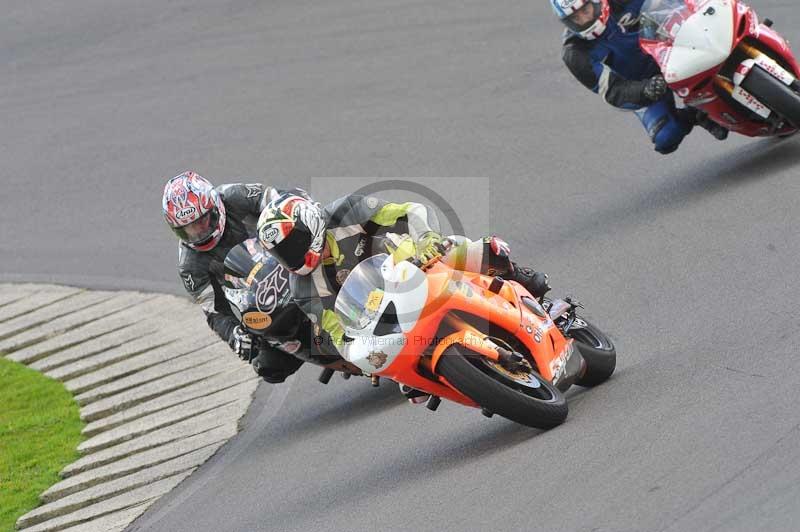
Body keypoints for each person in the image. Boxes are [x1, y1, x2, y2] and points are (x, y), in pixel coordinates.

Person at [255, 191, 551, 401]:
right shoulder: (301, 287)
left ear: (310, 224)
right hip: (385, 318)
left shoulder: (347, 211)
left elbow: (409, 212)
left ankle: (515, 278)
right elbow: (334, 330)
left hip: (417, 266)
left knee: (479, 252)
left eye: (292, 242)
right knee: (412, 390)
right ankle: (484, 388)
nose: (290, 255)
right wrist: (361, 357)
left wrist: (426, 240)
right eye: (281, 252)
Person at [161, 171, 307, 383]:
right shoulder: (190, 266)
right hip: (265, 301)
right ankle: (325, 353)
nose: (198, 232)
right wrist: (234, 335)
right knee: (268, 365)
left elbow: (282, 201)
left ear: (214, 206)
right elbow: (214, 312)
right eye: (188, 229)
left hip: (292, 259)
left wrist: (302, 217)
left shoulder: (235, 196)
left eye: (202, 221)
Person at [551, 0, 728, 154]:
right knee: (666, 137)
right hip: (643, 81)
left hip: (673, 45)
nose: (584, 19)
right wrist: (646, 91)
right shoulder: (575, 54)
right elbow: (613, 91)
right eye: (576, 18)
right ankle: (695, 114)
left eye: (585, 10)